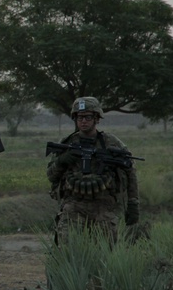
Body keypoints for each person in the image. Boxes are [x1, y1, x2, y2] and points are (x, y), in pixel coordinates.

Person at [47, 97, 139, 245]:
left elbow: (130, 171)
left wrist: (133, 204)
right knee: (68, 248)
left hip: (103, 205)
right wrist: (61, 161)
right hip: (74, 205)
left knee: (106, 251)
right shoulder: (67, 144)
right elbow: (51, 176)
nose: (83, 121)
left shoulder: (111, 142)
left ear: (97, 118)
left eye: (88, 117)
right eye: (79, 117)